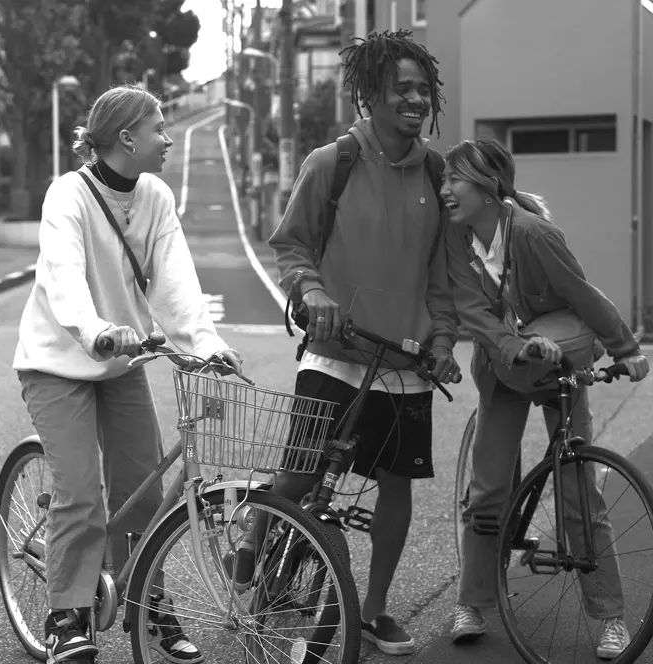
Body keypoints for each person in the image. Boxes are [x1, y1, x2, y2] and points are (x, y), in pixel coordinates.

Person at [227, 29, 461, 656]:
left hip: (406, 362)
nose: (415, 100)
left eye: (423, 90)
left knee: (397, 485)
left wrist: (444, 336)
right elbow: (292, 245)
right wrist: (313, 292)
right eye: (401, 89)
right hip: (335, 353)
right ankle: (255, 531)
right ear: (371, 97)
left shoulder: (437, 174)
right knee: (301, 476)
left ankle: (375, 610)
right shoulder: (333, 163)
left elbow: (444, 274)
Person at [13, 85, 243, 664]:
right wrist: (95, 331)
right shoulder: (68, 195)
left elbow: (175, 278)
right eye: (159, 128)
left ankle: (147, 599)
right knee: (80, 493)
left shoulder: (157, 197)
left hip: (122, 360)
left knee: (143, 491)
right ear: (126, 137)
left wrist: (205, 341)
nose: (168, 138)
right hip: (58, 361)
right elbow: (61, 277)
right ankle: (66, 612)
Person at [442, 137, 649, 659]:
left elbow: (582, 294)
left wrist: (626, 349)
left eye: (455, 179)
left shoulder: (534, 235)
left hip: (560, 359)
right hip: (503, 369)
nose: (445, 189)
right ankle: (473, 601)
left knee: (579, 492)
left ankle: (609, 617)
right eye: (444, 179)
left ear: (489, 188)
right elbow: (474, 315)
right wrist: (517, 346)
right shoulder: (454, 239)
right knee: (487, 492)